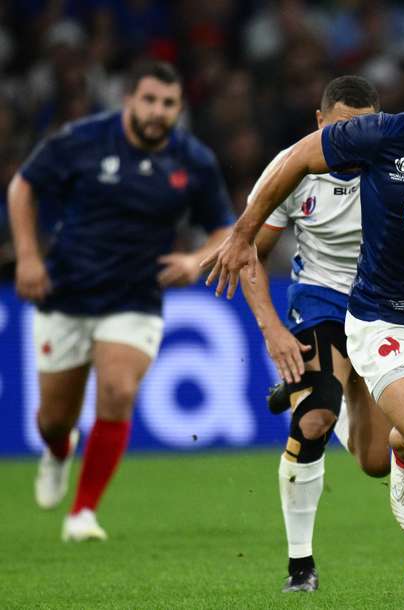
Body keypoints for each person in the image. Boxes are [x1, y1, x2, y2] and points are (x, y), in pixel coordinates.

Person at [203, 41, 404, 601]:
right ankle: (392, 471)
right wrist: (242, 233)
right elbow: (298, 157)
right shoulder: (383, 135)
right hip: (382, 315)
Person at [7, 61, 233, 541]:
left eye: (168, 104)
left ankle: (83, 512)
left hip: (136, 297)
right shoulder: (82, 140)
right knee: (53, 419)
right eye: (149, 100)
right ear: (129, 99)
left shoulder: (193, 160)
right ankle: (58, 449)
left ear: (179, 109)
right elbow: (23, 187)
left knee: (118, 390)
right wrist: (28, 256)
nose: (157, 112)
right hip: (66, 293)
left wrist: (196, 260)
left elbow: (224, 228)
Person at [240, 75, 392, 593]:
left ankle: (331, 387)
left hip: (383, 304)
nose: (352, 142)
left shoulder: (397, 164)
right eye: (341, 130)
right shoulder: (292, 168)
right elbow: (249, 254)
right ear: (320, 124)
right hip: (320, 300)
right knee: (315, 418)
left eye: (363, 130)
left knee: (375, 463)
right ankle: (300, 567)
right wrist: (272, 331)